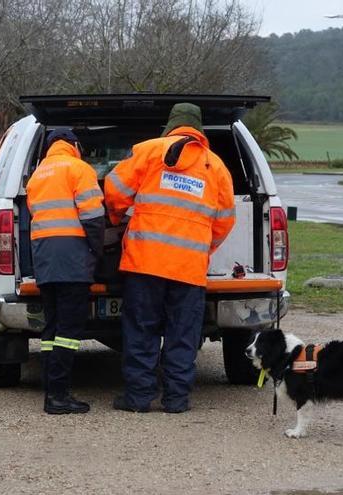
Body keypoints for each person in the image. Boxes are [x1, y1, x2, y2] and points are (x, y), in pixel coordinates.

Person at [104, 103, 236, 413]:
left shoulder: (150, 151)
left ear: (171, 125)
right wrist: (202, 247)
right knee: (183, 334)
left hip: (145, 263)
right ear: (199, 129)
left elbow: (114, 188)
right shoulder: (215, 167)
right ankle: (176, 399)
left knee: (141, 331)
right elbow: (225, 220)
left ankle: (138, 398)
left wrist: (115, 217)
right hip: (188, 270)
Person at [26, 128, 105, 414]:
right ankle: (59, 397)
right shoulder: (78, 169)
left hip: (45, 260)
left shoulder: (38, 175)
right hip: (72, 260)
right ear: (73, 145)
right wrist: (98, 252)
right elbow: (93, 217)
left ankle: (52, 393)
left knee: (51, 330)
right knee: (68, 332)